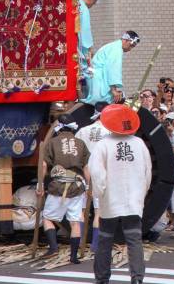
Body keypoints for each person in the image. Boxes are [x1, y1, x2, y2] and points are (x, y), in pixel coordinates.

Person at [89, 104, 151, 284]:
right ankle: (137, 278)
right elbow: (148, 173)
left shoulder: (103, 145)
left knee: (105, 240)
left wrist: (99, 195)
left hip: (110, 200)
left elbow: (97, 174)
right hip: (134, 201)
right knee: (134, 240)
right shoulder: (139, 144)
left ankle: (102, 278)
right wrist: (141, 194)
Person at [37, 118, 90, 263]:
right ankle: (73, 256)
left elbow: (43, 165)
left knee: (48, 218)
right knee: (75, 220)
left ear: (59, 129)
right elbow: (86, 168)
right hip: (78, 187)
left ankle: (53, 247)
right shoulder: (80, 143)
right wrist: (89, 186)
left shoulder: (52, 143)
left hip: (58, 186)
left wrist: (40, 184)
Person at [76, 102, 108, 252]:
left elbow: (77, 152)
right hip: (101, 174)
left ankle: (80, 242)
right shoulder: (109, 131)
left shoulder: (83, 130)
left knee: (81, 210)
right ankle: (95, 245)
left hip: (84, 172)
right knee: (98, 211)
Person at [82, 31, 139, 107]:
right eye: (131, 45)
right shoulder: (116, 49)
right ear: (126, 40)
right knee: (100, 104)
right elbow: (113, 69)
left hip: (95, 76)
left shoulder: (113, 46)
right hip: (99, 79)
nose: (130, 49)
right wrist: (113, 90)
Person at [75, 0, 99, 90]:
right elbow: (85, 31)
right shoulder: (83, 8)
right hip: (79, 46)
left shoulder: (76, 4)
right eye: (94, 3)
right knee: (87, 71)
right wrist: (89, 49)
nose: (92, 5)